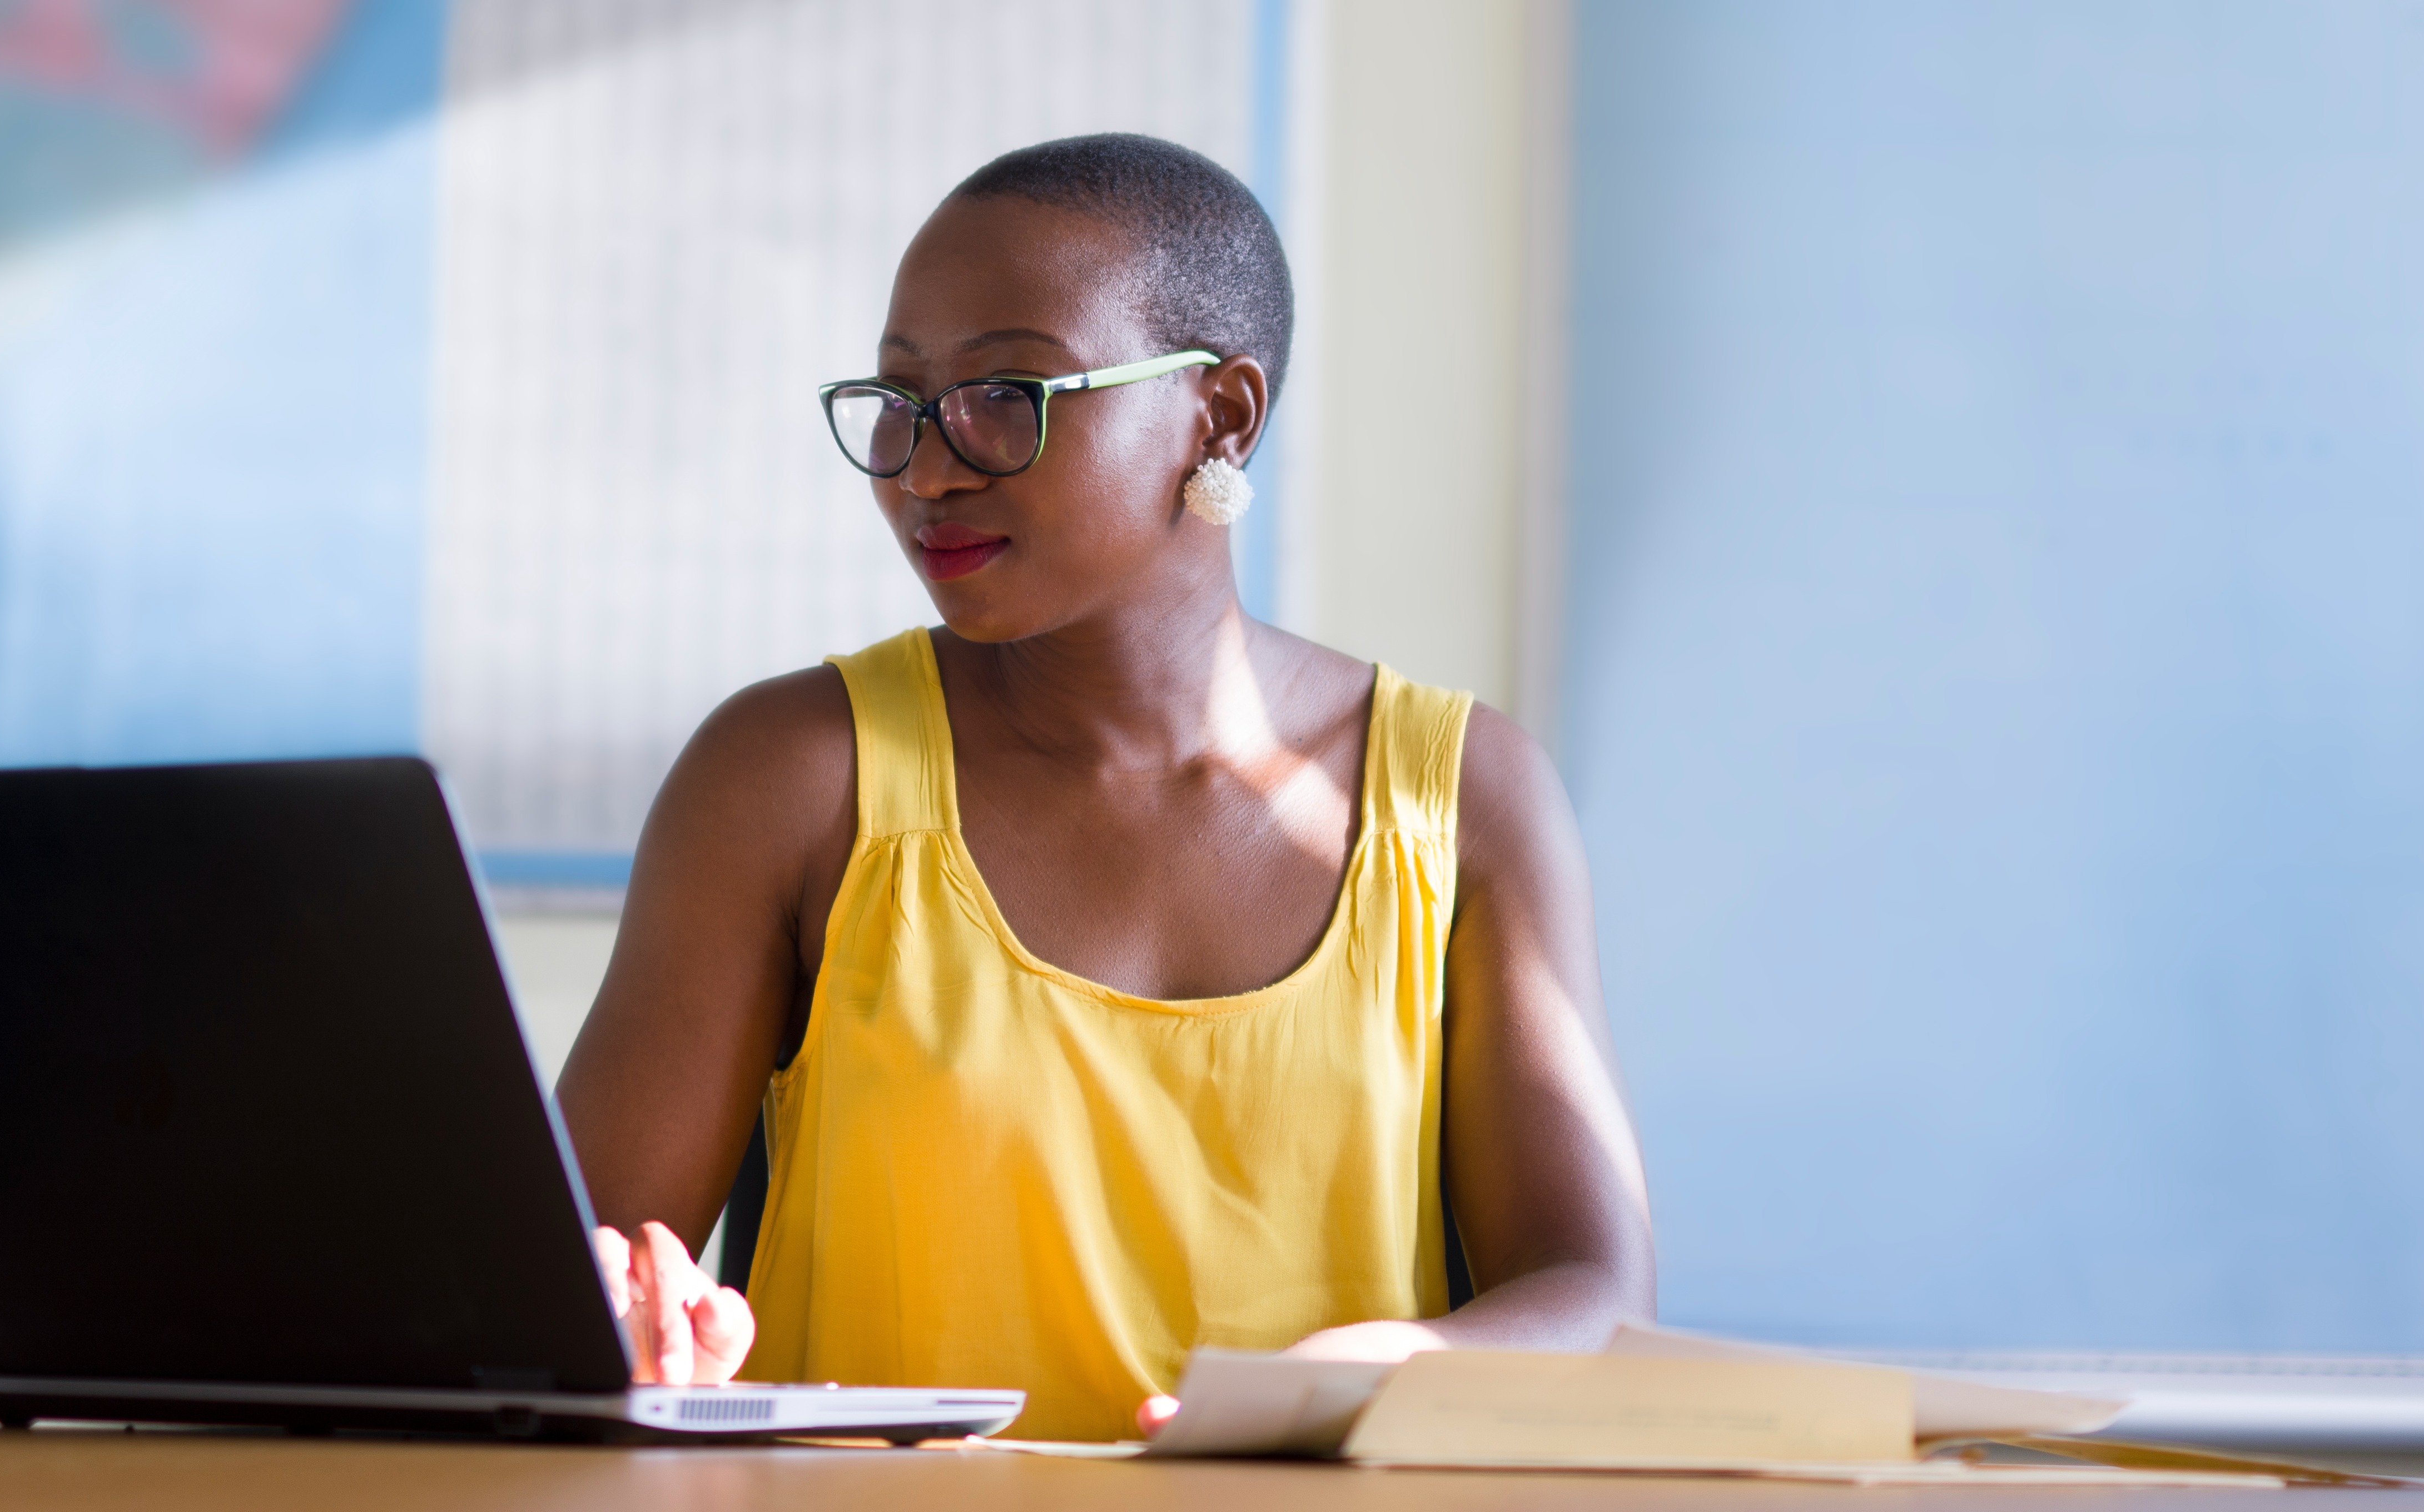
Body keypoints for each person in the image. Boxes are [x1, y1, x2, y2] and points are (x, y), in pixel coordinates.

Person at [554, 132, 1653, 1444]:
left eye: (1007, 392)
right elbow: (572, 1276)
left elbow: (1596, 1294)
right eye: (901, 401)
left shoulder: (1465, 798)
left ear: (1222, 412)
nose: (928, 467)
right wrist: (638, 1309)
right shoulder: (794, 775)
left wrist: (1410, 1360)